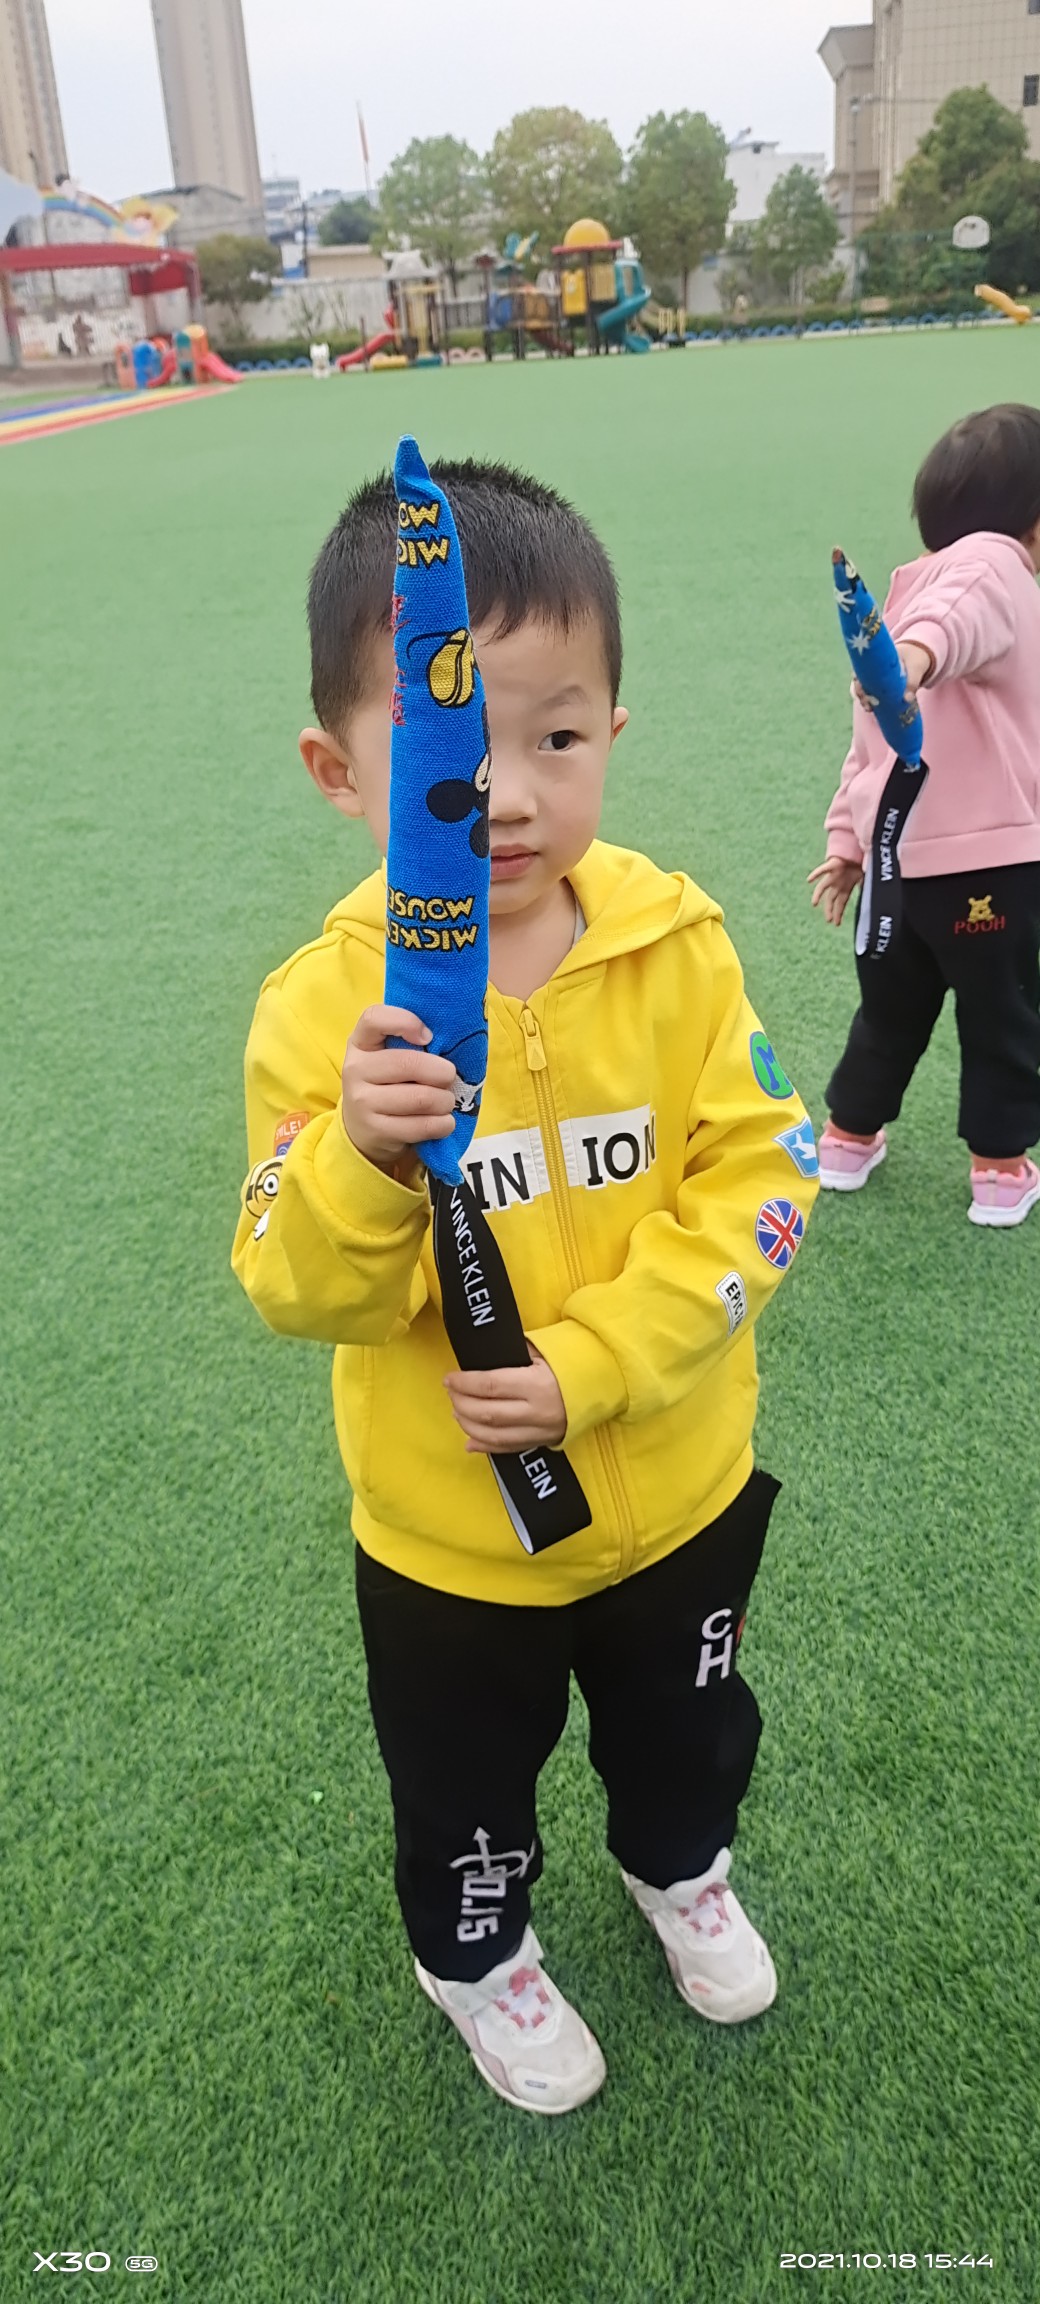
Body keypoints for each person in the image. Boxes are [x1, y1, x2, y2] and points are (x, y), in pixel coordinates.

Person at [232, 460, 818, 2114]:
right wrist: (358, 1155)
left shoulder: (676, 943)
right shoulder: (323, 1011)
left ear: (612, 730)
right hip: (453, 1547)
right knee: (466, 1784)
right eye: (446, 746)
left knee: (689, 1733)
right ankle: (477, 1954)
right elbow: (290, 1280)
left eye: (556, 737)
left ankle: (679, 1864)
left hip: (678, 1490)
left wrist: (597, 1365)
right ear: (339, 767)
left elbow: (763, 1184)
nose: (502, 792)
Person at [810, 402, 1040, 1226]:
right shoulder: (994, 566)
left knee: (890, 1012)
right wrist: (914, 657)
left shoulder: (905, 590)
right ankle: (1000, 1169)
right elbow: (957, 625)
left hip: (894, 868)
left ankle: (846, 1139)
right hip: (988, 867)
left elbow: (869, 750)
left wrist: (847, 842)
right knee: (1002, 1014)